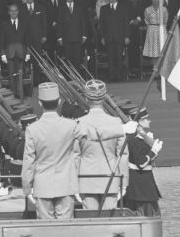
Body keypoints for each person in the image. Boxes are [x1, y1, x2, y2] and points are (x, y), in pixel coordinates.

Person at [22, 82, 82, 220]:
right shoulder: (71, 125)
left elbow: (29, 161)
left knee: (45, 230)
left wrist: (27, 187)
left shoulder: (32, 129)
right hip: (66, 184)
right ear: (59, 102)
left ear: (40, 103)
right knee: (65, 229)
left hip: (43, 185)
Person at [76, 80, 136, 211]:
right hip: (111, 176)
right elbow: (123, 155)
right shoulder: (116, 123)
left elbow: (75, 156)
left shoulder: (79, 123)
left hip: (86, 178)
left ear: (86, 98)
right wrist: (124, 182)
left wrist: (74, 182)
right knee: (109, 221)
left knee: (90, 220)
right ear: (104, 98)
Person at [125, 108, 163, 217]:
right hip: (141, 186)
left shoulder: (139, 137)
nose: (149, 121)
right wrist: (153, 151)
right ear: (140, 122)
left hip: (142, 184)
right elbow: (141, 163)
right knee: (147, 215)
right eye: (146, 119)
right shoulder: (136, 139)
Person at [99, 0, 130, 82]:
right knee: (110, 58)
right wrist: (102, 37)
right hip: (108, 37)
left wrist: (127, 36)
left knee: (119, 58)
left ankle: (120, 76)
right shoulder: (104, 8)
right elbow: (101, 24)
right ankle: (112, 76)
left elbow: (126, 23)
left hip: (120, 36)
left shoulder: (123, 8)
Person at [0, 4, 29, 98]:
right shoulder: (4, 24)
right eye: (11, 11)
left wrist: (28, 53)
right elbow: (1, 40)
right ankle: (13, 95)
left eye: (15, 10)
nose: (13, 12)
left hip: (21, 53)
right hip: (9, 54)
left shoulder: (24, 23)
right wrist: (3, 54)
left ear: (18, 12)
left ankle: (20, 94)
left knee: (20, 74)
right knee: (11, 75)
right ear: (8, 12)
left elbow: (27, 40)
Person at [56, 0, 88, 66]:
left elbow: (83, 22)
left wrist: (84, 35)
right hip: (66, 37)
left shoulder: (79, 7)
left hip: (78, 36)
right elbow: (59, 24)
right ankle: (70, 77)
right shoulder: (61, 8)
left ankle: (78, 77)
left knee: (77, 59)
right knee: (68, 59)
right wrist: (59, 37)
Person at [142, 0, 168, 67]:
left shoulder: (164, 9)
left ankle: (162, 70)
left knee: (162, 49)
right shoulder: (147, 9)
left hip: (161, 29)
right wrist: (151, 27)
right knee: (153, 51)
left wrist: (162, 27)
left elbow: (166, 20)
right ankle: (155, 70)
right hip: (152, 30)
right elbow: (146, 20)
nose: (155, 0)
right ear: (151, 0)